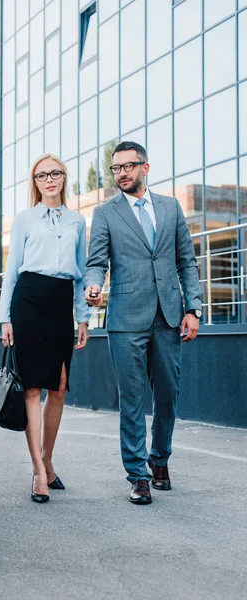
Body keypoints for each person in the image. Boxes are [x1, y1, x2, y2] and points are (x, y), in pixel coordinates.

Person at [84, 141, 202, 505]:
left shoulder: (170, 207)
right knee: (133, 400)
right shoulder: (105, 213)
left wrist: (193, 309)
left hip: (168, 316)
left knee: (168, 394)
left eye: (128, 167)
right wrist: (92, 285)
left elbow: (186, 261)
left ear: (145, 168)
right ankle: (137, 475)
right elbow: (96, 261)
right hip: (125, 319)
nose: (121, 173)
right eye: (116, 168)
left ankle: (159, 458)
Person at [0, 153, 91, 504]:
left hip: (60, 301)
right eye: (41, 175)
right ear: (34, 183)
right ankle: (38, 470)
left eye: (55, 173)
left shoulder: (77, 222)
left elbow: (81, 273)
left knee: (61, 386)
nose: (49, 179)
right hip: (29, 300)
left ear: (64, 178)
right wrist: (5, 318)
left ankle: (48, 457)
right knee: (32, 388)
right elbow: (11, 271)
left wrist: (83, 317)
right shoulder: (24, 219)